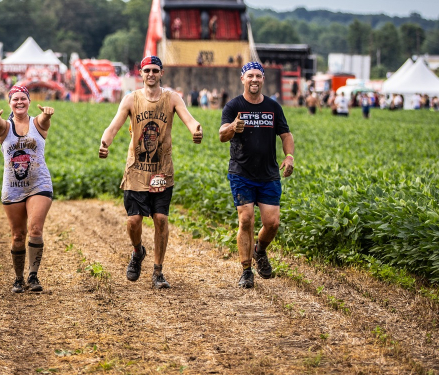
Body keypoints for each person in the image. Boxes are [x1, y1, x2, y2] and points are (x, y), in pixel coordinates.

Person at [98, 56, 203, 289]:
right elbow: (113, 126)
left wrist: (196, 129)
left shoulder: (172, 98)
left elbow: (189, 118)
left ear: (161, 73)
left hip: (162, 171)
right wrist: (105, 143)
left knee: (161, 219)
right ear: (141, 73)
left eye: (155, 70)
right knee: (134, 221)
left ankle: (158, 272)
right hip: (136, 171)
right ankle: (138, 251)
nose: (151, 74)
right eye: (147, 70)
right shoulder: (131, 99)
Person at [219, 62, 295, 289]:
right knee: (246, 219)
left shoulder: (273, 106)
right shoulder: (233, 106)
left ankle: (259, 250)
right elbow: (222, 135)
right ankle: (246, 271)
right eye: (250, 75)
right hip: (241, 172)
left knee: (272, 223)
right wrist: (233, 127)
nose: (254, 79)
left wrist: (289, 156)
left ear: (263, 80)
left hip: (269, 173)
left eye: (258, 76)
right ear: (242, 79)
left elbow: (285, 134)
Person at [0, 86, 55, 294]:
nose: (19, 102)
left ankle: (33, 276)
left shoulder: (37, 124)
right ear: (9, 103)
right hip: (13, 188)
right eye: (15, 99)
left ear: (29, 101)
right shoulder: (5, 127)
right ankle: (18, 278)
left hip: (39, 184)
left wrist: (46, 114)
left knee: (35, 230)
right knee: (18, 235)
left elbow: (44, 121)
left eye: (23, 99)